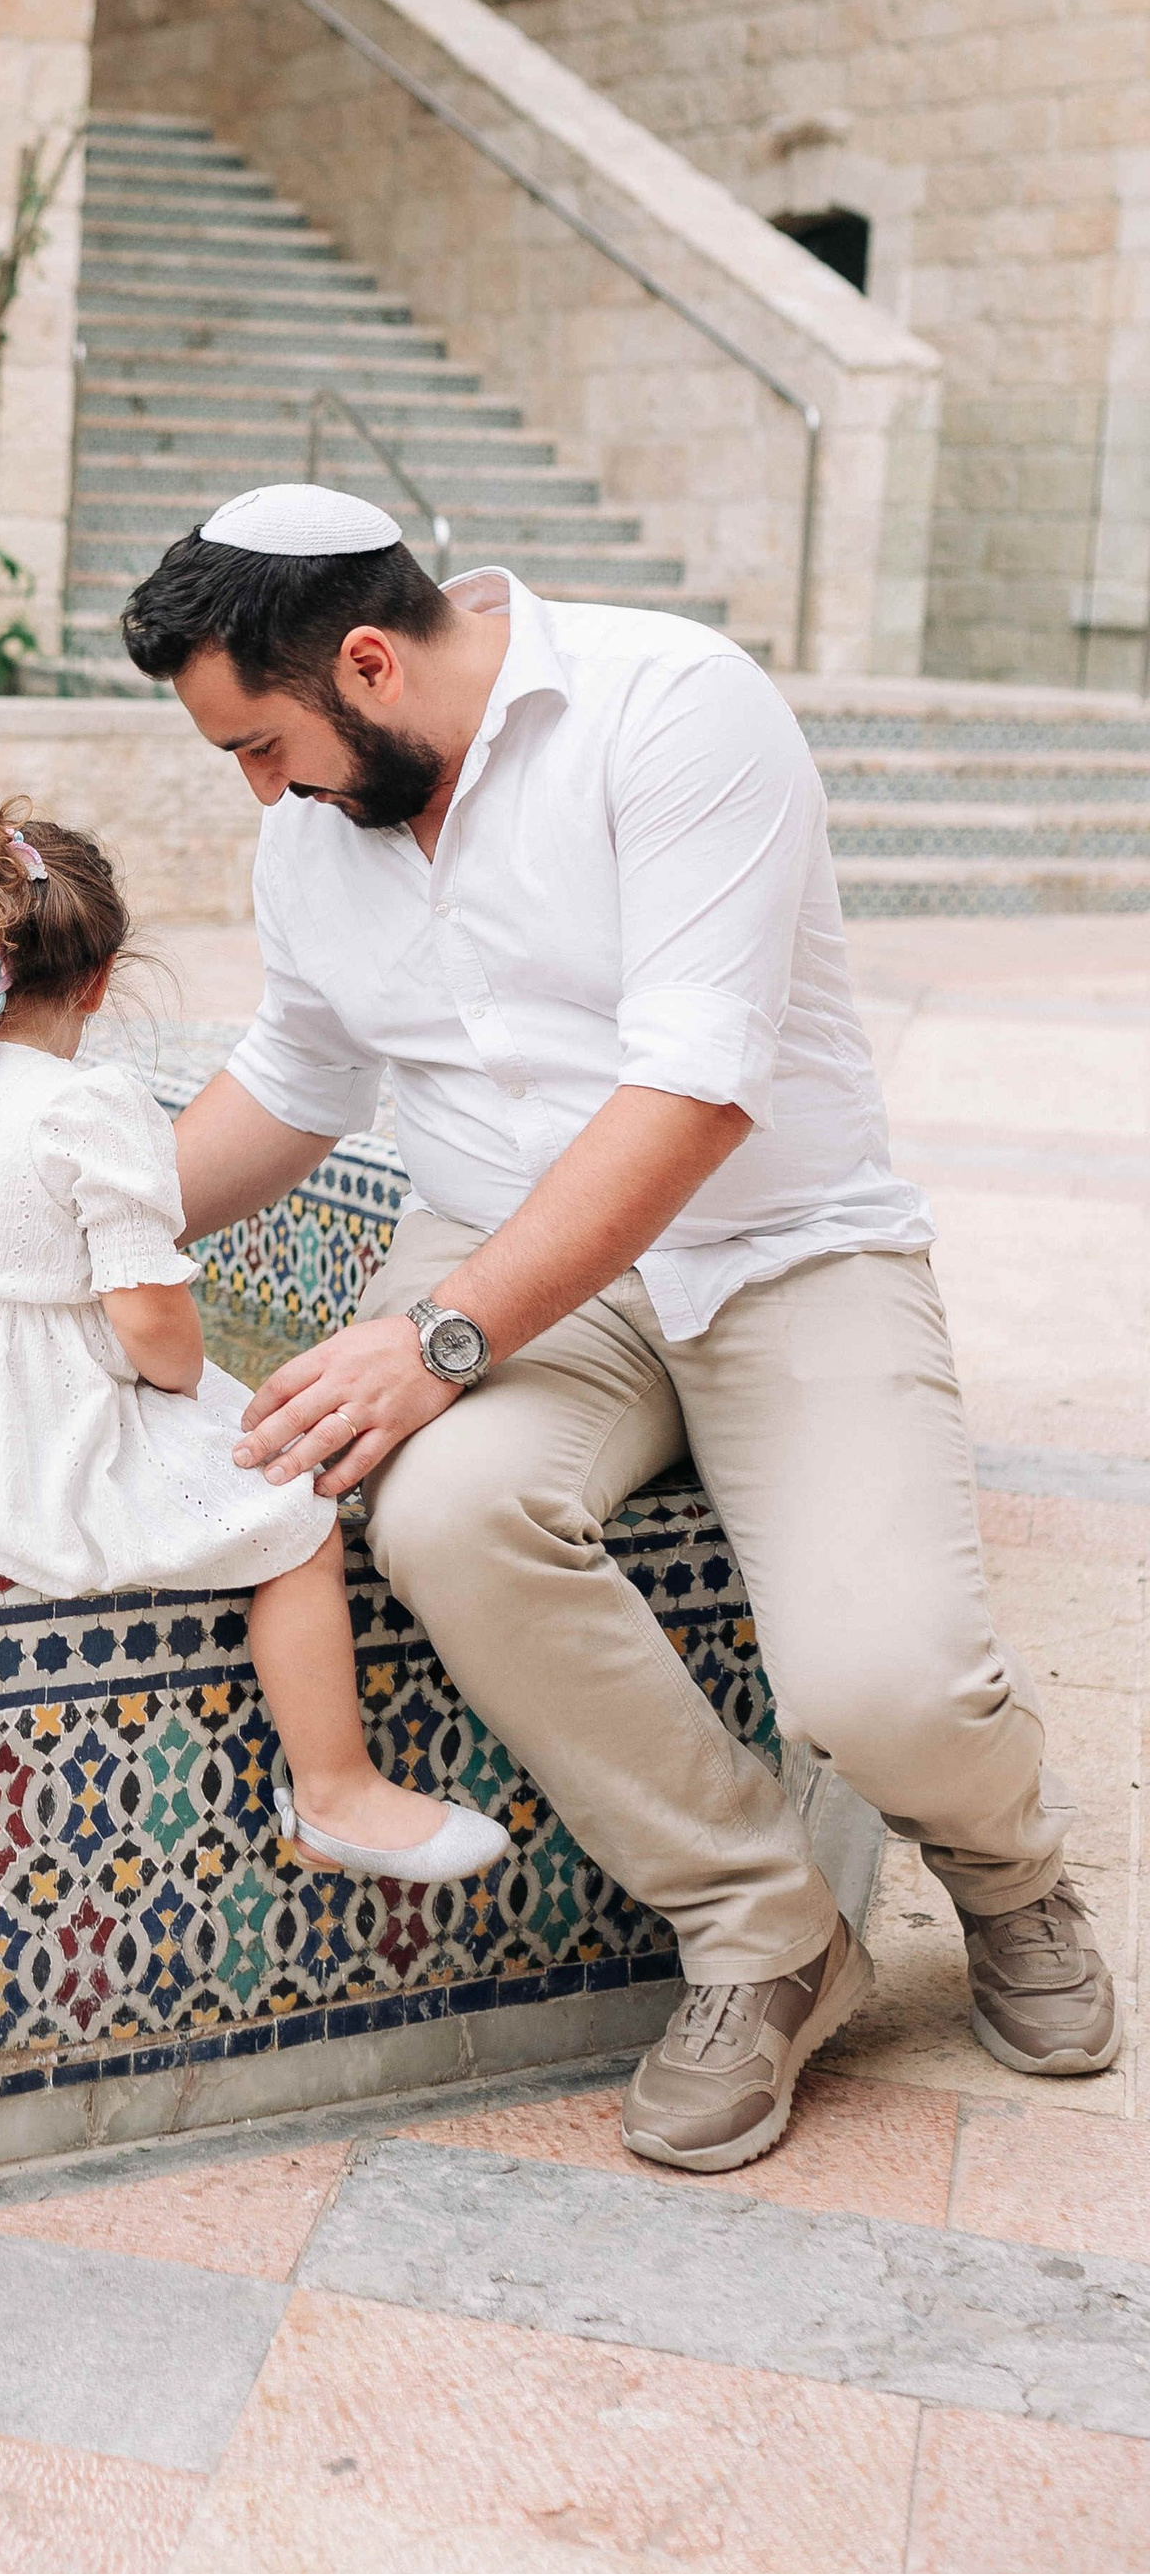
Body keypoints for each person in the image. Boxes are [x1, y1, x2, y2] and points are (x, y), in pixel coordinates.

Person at [122, 481, 1119, 2172]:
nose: (258, 787)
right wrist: (61, 1223)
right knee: (442, 1512)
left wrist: (434, 1334)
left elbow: (694, 1092)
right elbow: (294, 1082)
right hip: (510, 1256)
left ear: (368, 661)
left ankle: (1009, 1868)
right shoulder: (317, 837)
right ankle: (767, 1932)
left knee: (886, 1688)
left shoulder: (674, 710)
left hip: (782, 1248)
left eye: (260, 743)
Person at [0, 802, 507, 1883]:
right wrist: (181, 1383)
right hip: (37, 1454)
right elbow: (155, 1332)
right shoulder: (90, 1107)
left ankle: (340, 1795)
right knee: (294, 1511)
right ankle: (336, 1794)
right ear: (100, 981)